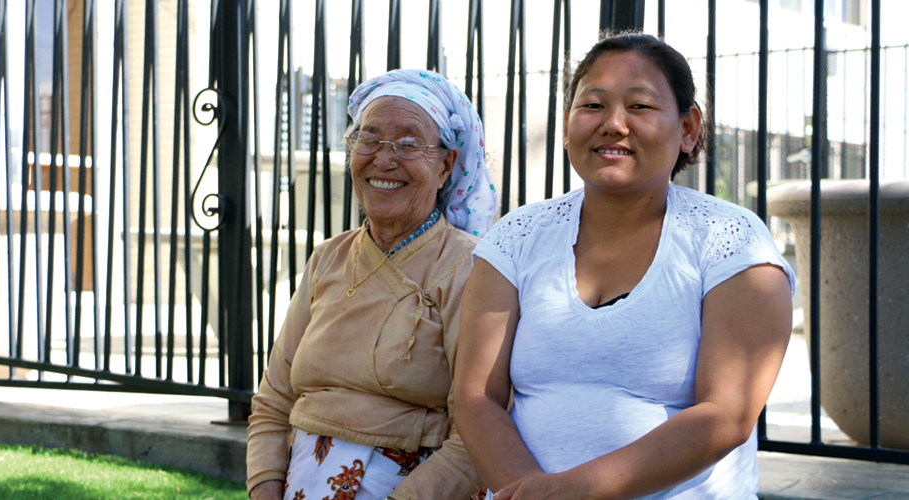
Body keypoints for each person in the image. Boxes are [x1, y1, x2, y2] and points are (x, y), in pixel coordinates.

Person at [454, 33, 795, 500]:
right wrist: (530, 494)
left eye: (640, 106)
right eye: (593, 105)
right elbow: (476, 397)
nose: (614, 124)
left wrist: (571, 491)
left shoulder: (730, 240)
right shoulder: (516, 237)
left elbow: (728, 414)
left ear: (689, 128)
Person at [246, 69, 497, 500]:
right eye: (369, 138)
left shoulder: (470, 267)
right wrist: (265, 488)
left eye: (408, 142)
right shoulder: (329, 257)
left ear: (446, 166)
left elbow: (479, 428)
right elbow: (272, 402)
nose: (384, 159)